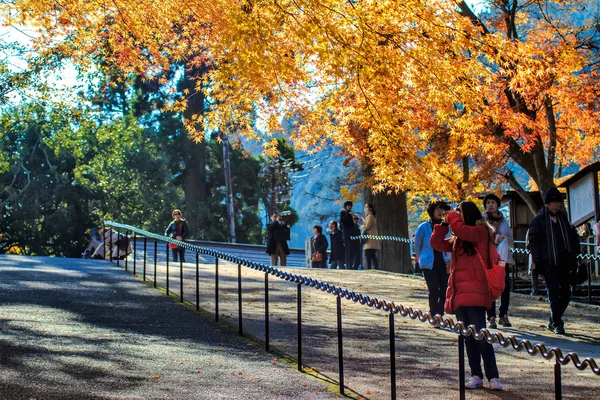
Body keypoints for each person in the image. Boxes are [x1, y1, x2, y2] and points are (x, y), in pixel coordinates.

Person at [430, 201, 502, 391]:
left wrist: (451, 217)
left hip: (477, 294)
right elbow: (436, 243)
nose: (455, 214)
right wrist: (444, 224)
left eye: (459, 212)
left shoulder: (480, 232)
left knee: (482, 336)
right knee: (468, 338)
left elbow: (463, 231)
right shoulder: (458, 239)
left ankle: (493, 376)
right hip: (460, 294)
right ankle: (476, 375)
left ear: (468, 214)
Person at [528, 187, 580, 335]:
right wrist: (538, 259)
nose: (555, 205)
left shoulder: (563, 218)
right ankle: (558, 323)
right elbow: (533, 241)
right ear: (547, 204)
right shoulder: (538, 220)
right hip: (548, 263)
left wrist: (576, 255)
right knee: (553, 293)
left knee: (565, 294)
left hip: (564, 262)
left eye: (558, 202)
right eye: (553, 202)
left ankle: (553, 319)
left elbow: (572, 237)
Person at [414, 200, 452, 319]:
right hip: (429, 264)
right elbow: (417, 245)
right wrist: (422, 259)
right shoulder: (423, 227)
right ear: (432, 210)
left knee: (444, 290)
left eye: (442, 209)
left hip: (444, 262)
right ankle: (433, 313)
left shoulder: (447, 227)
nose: (440, 211)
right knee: (433, 290)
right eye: (437, 208)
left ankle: (439, 314)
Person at [482, 194, 514, 329]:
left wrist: (505, 241)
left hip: (503, 258)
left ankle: (503, 314)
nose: (490, 205)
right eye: (488, 203)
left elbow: (510, 237)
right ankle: (491, 316)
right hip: (488, 258)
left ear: (497, 204)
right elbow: (482, 237)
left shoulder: (504, 220)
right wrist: (495, 240)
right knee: (489, 287)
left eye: (493, 202)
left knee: (505, 286)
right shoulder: (482, 220)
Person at [340, 201, 361, 270]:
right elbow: (343, 220)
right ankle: (348, 266)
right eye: (348, 206)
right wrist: (349, 215)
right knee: (348, 251)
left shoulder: (352, 213)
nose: (349, 207)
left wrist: (353, 216)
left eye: (350, 206)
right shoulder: (343, 212)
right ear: (345, 206)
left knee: (355, 251)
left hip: (353, 234)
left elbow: (353, 224)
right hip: (347, 235)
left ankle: (354, 265)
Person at [362, 203, 380, 269]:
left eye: (366, 207)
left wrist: (363, 224)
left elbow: (367, 227)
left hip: (370, 238)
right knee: (371, 255)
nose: (365, 209)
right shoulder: (369, 216)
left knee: (369, 254)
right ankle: (373, 267)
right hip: (370, 238)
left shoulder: (370, 216)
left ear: (370, 208)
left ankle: (370, 268)